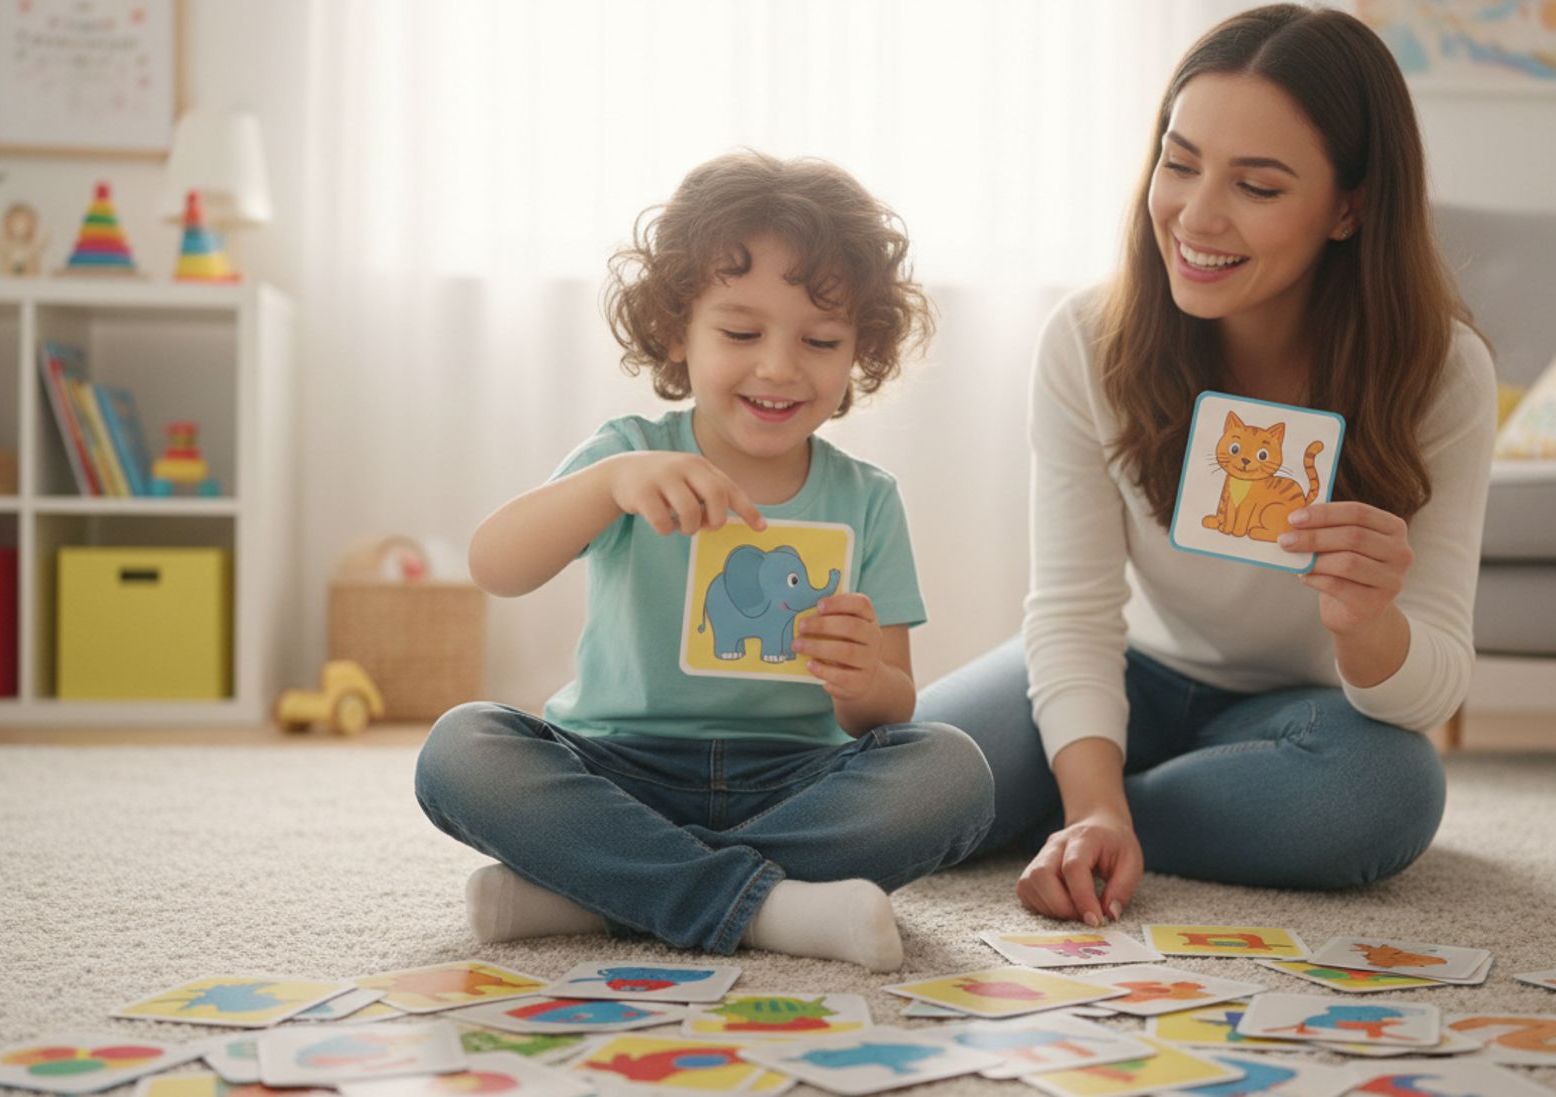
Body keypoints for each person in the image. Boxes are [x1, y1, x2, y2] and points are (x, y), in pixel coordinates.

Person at [915, 4, 1496, 926]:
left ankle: (1063, 805)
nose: (1195, 214)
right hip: (1127, 669)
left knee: (1383, 795)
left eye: (1257, 187)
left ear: (1350, 206)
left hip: (1304, 716)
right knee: (906, 774)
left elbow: (1434, 683)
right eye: (1178, 162)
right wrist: (1092, 793)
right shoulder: (1087, 339)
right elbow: (1070, 613)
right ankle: (1087, 800)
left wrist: (1367, 624)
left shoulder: (1443, 375)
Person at [414, 150, 992, 971]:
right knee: (459, 748)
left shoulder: (868, 497)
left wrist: (864, 681)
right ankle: (766, 906)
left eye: (821, 339)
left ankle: (602, 890)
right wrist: (609, 485)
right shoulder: (628, 456)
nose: (779, 366)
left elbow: (890, 709)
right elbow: (494, 565)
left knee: (953, 772)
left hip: (795, 776)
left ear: (859, 350)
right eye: (741, 331)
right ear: (675, 329)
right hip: (614, 767)